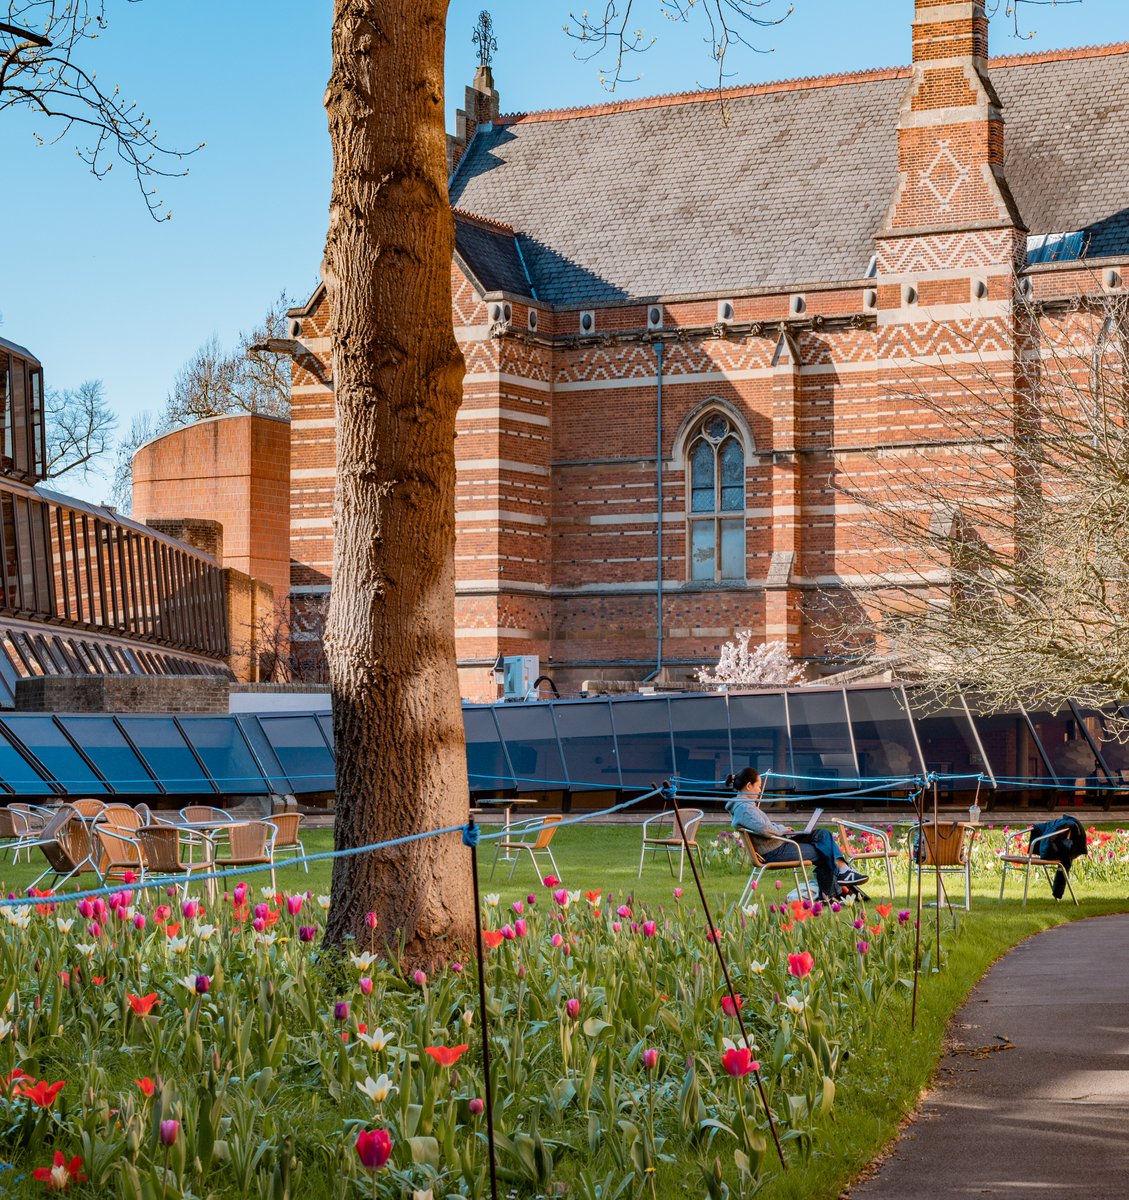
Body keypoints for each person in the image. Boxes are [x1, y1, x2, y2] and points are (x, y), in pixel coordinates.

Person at [725, 767, 867, 900]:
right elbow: (764, 829)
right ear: (749, 786)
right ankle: (833, 893)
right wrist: (781, 831)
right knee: (824, 852)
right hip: (775, 851)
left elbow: (765, 826)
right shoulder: (744, 808)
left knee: (822, 835)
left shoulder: (744, 806)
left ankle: (843, 873)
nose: (760, 790)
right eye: (758, 786)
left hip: (779, 845)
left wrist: (783, 829)